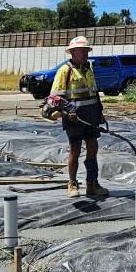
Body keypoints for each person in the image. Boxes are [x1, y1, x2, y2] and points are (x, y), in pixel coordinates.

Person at [50, 36, 109, 198]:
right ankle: (72, 183)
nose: (85, 53)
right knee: (75, 150)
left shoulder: (88, 69)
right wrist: (68, 112)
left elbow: (94, 93)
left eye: (86, 50)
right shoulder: (65, 71)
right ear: (73, 52)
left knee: (93, 147)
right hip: (73, 119)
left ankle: (92, 184)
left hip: (90, 117)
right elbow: (55, 98)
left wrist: (100, 113)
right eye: (82, 51)